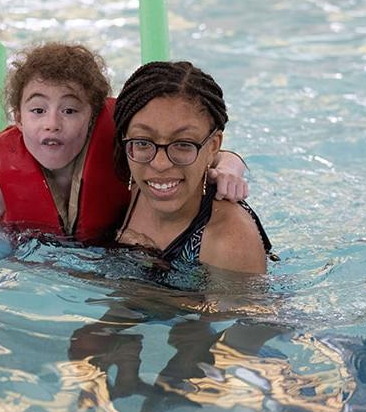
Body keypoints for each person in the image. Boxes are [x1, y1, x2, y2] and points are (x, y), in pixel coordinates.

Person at [0, 43, 249, 243]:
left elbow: (204, 153)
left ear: (93, 116)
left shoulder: (123, 151)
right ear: (18, 119)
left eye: (69, 111)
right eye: (38, 111)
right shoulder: (0, 182)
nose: (52, 123)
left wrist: (231, 169)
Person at [113, 60, 273, 273]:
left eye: (183, 144)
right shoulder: (121, 182)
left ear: (212, 147)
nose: (160, 164)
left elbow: (242, 307)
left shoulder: (229, 240)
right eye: (143, 141)